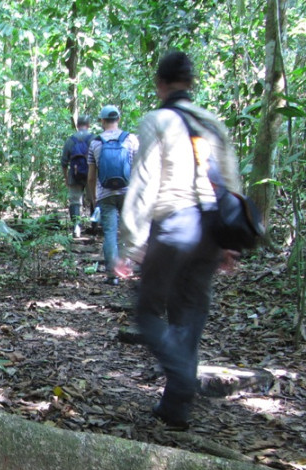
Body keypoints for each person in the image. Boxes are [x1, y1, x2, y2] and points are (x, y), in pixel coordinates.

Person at [115, 50, 242, 430]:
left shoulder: (157, 121)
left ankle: (183, 382)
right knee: (188, 317)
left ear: (160, 84)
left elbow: (143, 183)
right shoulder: (212, 123)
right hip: (208, 229)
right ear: (191, 83)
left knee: (147, 313)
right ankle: (175, 407)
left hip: (172, 225)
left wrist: (130, 243)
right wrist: (227, 241)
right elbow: (230, 182)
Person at [87, 105, 138, 285]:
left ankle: (112, 275)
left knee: (109, 233)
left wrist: (94, 199)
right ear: (118, 119)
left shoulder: (96, 143)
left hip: (105, 194)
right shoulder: (131, 140)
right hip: (128, 193)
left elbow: (91, 177)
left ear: (102, 121)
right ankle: (126, 268)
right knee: (126, 231)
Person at [60, 114, 93, 238]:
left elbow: (64, 162)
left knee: (75, 201)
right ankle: (94, 225)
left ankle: (76, 227)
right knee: (93, 200)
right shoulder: (93, 139)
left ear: (77, 125)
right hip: (91, 175)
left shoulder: (70, 140)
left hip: (74, 175)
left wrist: (66, 178)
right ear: (88, 125)